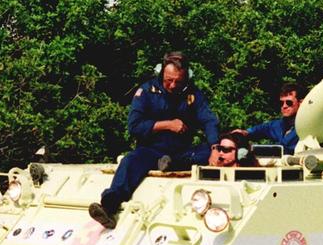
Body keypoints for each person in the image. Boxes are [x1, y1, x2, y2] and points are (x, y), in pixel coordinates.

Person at [89, 51, 219, 228]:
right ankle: (109, 206)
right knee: (130, 160)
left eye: (178, 81)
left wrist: (214, 147)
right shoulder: (146, 91)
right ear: (162, 74)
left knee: (208, 152)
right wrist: (167, 124)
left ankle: (172, 163)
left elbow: (209, 120)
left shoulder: (193, 94)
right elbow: (134, 126)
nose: (173, 85)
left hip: (183, 151)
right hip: (151, 150)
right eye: (169, 80)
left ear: (186, 78)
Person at [237, 82, 304, 153]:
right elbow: (263, 128)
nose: (284, 106)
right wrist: (245, 132)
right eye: (281, 103)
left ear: (300, 103)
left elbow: (287, 148)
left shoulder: (308, 127)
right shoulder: (280, 124)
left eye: (289, 103)